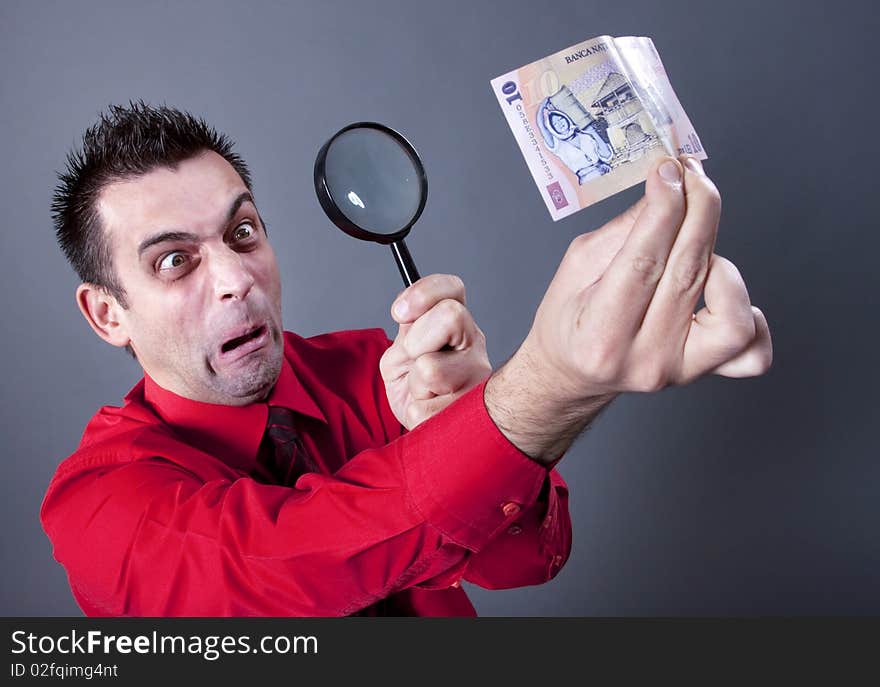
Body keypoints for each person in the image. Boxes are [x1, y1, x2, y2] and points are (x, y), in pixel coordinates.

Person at [41, 102, 772, 617]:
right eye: (174, 260)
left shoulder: (373, 370)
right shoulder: (99, 506)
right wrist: (545, 387)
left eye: (242, 231)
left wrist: (471, 412)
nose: (236, 277)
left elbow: (526, 562)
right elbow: (290, 563)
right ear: (108, 313)